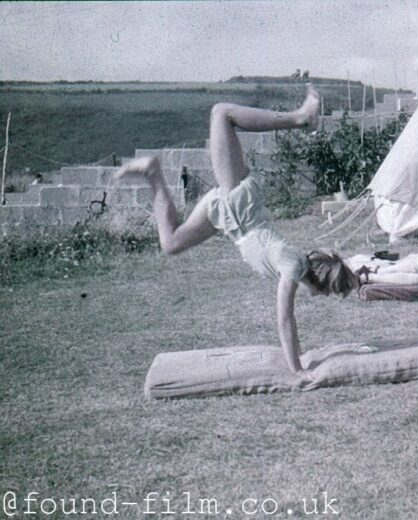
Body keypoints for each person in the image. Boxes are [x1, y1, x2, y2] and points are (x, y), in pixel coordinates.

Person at [115, 86, 358, 375]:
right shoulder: (293, 266)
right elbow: (284, 319)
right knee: (221, 113)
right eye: (331, 292)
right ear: (324, 286)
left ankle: (152, 173)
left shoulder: (294, 264)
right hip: (239, 204)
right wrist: (297, 371)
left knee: (170, 243)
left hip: (230, 221)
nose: (327, 297)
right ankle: (301, 118)